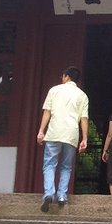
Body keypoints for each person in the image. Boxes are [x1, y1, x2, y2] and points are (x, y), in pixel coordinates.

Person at [36, 66, 89, 211]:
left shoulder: (54, 90)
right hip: (71, 134)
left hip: (54, 132)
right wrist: (84, 138)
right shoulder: (82, 95)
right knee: (66, 166)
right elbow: (84, 118)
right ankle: (61, 195)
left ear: (66, 76)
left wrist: (41, 131)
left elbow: (47, 112)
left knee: (49, 164)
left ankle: (48, 193)